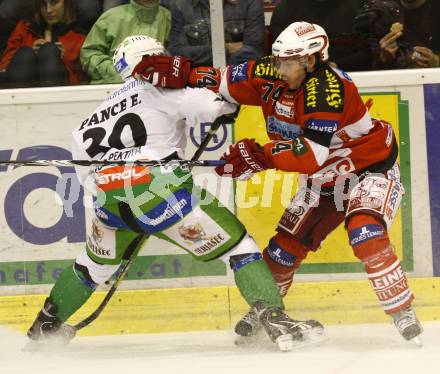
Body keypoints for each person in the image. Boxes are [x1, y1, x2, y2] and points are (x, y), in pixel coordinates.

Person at [27, 35, 324, 352]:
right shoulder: (161, 88)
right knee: (239, 248)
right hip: (159, 189)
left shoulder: (86, 123)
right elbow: (219, 105)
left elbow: (87, 177)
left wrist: (131, 207)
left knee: (91, 267)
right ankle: (275, 320)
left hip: (108, 201)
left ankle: (44, 328)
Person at [137, 21, 423, 344]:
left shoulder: (328, 90)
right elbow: (224, 81)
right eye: (278, 61)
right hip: (323, 180)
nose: (279, 68)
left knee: (364, 231)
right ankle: (268, 308)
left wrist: (259, 156)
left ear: (311, 61)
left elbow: (309, 155)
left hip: (367, 169)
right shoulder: (273, 72)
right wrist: (184, 71)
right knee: (282, 250)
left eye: (288, 63)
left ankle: (403, 312)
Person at [80, 0, 171, 85]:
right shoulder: (111, 17)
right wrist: (117, 72)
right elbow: (89, 54)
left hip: (156, 90)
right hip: (110, 88)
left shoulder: (169, 19)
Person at [0, 0, 86, 88]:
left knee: (48, 51)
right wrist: (32, 56)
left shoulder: (79, 36)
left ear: (66, 4)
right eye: (43, 5)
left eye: (54, 3)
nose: (48, 10)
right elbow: (4, 68)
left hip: (63, 92)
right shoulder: (24, 27)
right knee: (26, 52)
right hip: (21, 86)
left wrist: (61, 60)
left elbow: (82, 80)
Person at [167, 0, 264, 66]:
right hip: (195, 83)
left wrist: (223, 74)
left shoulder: (250, 2)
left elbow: (253, 50)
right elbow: (176, 53)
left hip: (237, 80)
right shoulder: (180, 4)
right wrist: (226, 49)